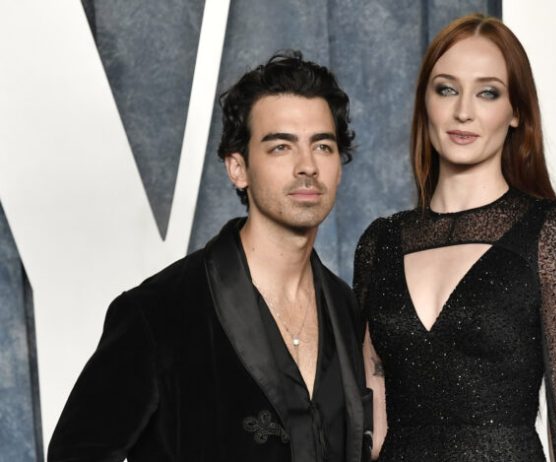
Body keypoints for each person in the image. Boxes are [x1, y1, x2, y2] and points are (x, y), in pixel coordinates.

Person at [48, 51, 372, 462]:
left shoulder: (347, 308)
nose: (306, 166)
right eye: (280, 147)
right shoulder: (157, 312)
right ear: (238, 168)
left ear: (339, 165)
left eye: (322, 146)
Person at [354, 14, 556, 461]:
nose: (463, 111)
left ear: (516, 113)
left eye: (487, 92)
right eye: (446, 89)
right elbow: (368, 423)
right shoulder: (381, 242)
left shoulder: (553, 235)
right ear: (425, 102)